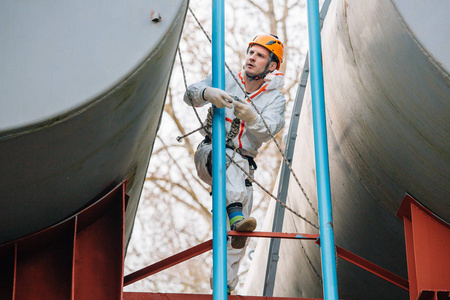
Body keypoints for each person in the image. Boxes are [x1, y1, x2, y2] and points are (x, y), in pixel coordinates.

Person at [183, 34, 286, 293]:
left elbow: (269, 131)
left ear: (272, 66)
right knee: (229, 162)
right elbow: (190, 94)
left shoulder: (275, 99)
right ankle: (235, 213)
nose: (252, 57)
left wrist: (252, 116)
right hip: (210, 153)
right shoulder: (226, 76)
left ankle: (224, 286)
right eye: (251, 52)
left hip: (243, 169)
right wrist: (209, 92)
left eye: (260, 55)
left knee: (238, 236)